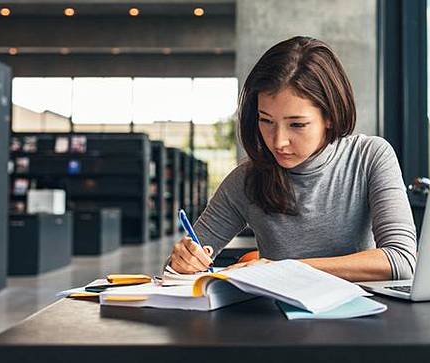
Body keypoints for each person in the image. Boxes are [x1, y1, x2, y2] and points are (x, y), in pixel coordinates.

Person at [168, 36, 416, 282]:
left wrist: (281, 269)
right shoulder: (245, 180)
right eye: (266, 121)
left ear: (330, 116)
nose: (278, 142)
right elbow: (174, 273)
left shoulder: (369, 157)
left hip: (361, 316)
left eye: (297, 124)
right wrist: (182, 262)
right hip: (277, 319)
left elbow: (401, 260)